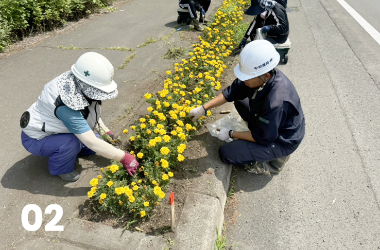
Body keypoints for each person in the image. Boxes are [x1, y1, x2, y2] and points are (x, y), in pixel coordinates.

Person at [189, 40, 305, 174]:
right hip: (271, 125)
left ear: (266, 76)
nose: (244, 81)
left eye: (247, 78)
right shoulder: (259, 75)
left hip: (281, 139)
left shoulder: (276, 102)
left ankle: (275, 161)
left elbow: (263, 137)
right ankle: (255, 135)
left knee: (226, 153)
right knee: (239, 101)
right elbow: (231, 92)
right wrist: (202, 109)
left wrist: (231, 133)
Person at [20, 52, 139, 182]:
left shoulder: (78, 84)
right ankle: (61, 169)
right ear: (87, 87)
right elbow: (91, 142)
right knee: (73, 143)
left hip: (57, 128)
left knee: (95, 141)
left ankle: (74, 149)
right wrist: (123, 157)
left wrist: (105, 131)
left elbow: (90, 111)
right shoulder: (65, 105)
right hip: (37, 138)